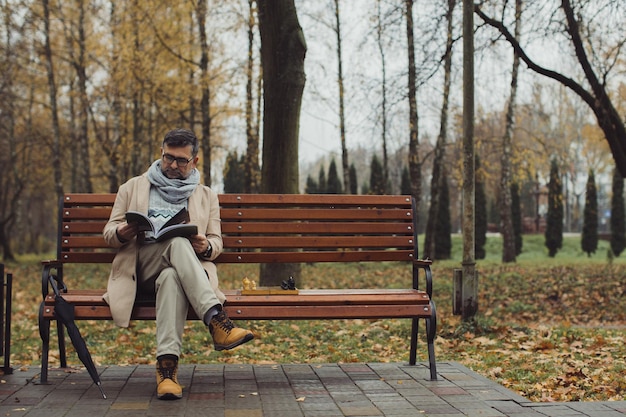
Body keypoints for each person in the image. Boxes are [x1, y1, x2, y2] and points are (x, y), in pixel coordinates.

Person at [103, 128, 254, 400]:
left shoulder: (206, 195)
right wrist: (121, 233)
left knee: (171, 275)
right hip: (140, 270)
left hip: (182, 275)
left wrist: (205, 246)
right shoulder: (133, 186)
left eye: (181, 160)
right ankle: (216, 320)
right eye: (168, 158)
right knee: (177, 243)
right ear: (161, 153)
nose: (172, 165)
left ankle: (167, 371)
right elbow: (109, 231)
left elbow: (216, 242)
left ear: (194, 161)